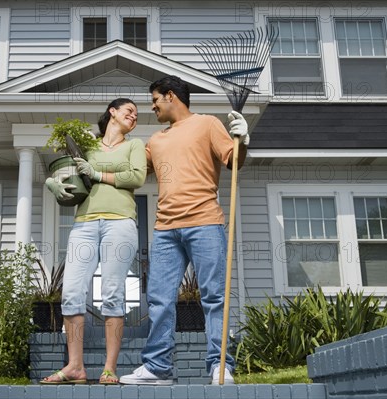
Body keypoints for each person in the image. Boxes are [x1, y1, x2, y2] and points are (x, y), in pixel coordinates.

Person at [119, 76, 248, 386]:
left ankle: (219, 366)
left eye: (155, 99)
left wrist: (242, 139)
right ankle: (158, 367)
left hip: (205, 222)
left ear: (171, 96)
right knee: (160, 299)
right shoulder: (156, 140)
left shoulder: (207, 124)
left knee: (214, 297)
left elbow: (234, 161)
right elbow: (132, 173)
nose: (151, 106)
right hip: (165, 229)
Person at [41, 98, 147, 385]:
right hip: (85, 224)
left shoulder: (134, 146)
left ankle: (109, 368)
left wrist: (97, 173)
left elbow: (137, 176)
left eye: (137, 115)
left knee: (112, 293)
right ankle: (75, 366)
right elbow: (63, 171)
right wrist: (52, 183)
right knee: (72, 293)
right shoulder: (87, 146)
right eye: (129, 111)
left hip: (120, 223)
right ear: (112, 112)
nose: (134, 116)